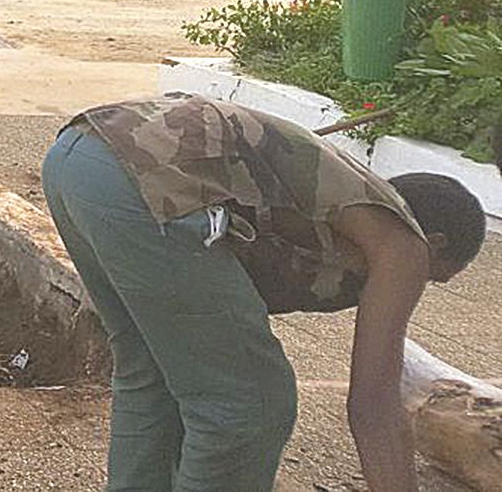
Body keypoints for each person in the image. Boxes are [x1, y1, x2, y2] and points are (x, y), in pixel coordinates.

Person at [43, 94, 487, 492]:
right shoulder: (404, 241)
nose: (416, 288)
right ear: (437, 243)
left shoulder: (341, 204)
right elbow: (373, 404)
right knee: (250, 402)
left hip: (78, 155)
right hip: (145, 174)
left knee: (153, 374)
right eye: (434, 279)